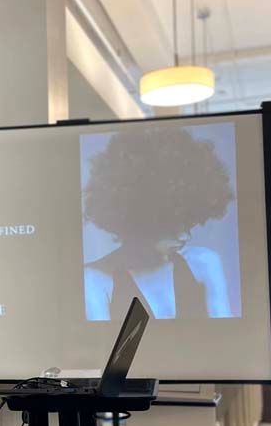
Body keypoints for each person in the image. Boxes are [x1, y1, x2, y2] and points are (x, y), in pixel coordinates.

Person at [82, 125, 236, 320]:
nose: (184, 236)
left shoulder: (205, 263)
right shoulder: (95, 280)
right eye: (170, 227)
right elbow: (97, 349)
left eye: (188, 223)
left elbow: (228, 340)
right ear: (138, 219)